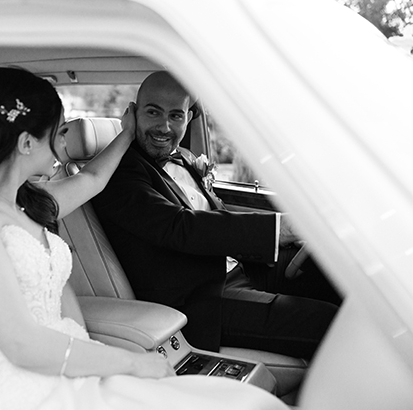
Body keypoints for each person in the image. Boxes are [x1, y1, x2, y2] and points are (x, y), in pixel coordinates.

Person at [0, 67, 287, 410]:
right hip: (14, 384)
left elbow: (92, 180)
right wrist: (130, 362)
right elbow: (21, 344)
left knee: (237, 399)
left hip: (69, 362)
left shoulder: (28, 206)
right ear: (27, 142)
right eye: (60, 133)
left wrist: (127, 132)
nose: (65, 148)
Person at [92, 71, 338, 359]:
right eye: (153, 112)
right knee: (329, 323)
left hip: (239, 266)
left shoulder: (182, 157)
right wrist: (279, 229)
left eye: (176, 116)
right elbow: (180, 226)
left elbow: (211, 213)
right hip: (203, 296)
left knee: (337, 276)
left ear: (188, 118)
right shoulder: (120, 172)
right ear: (132, 113)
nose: (164, 126)